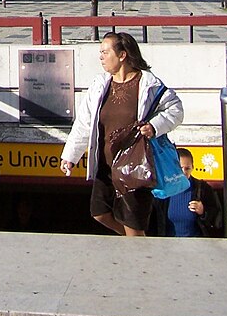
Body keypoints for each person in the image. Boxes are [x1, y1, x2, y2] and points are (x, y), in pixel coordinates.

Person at [59, 32, 184, 237]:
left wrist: (154, 126)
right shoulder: (100, 85)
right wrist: (70, 155)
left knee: (134, 226)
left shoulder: (149, 84)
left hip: (135, 166)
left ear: (123, 55)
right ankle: (137, 245)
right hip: (107, 164)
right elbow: (85, 122)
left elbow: (176, 109)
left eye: (105, 52)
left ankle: (140, 257)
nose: (101, 57)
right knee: (99, 212)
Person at [150, 148, 222, 238]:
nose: (184, 172)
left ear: (193, 168)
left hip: (196, 246)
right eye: (180, 168)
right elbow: (152, 222)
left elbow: (218, 219)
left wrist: (203, 211)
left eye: (187, 168)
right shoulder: (162, 191)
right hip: (168, 246)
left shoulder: (202, 189)